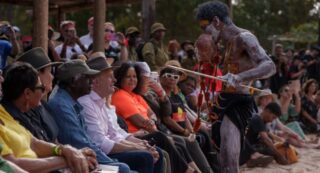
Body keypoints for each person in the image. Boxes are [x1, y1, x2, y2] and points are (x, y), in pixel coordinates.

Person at [196, 1, 276, 172]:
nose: (205, 33)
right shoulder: (226, 43)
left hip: (239, 103)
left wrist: (239, 77)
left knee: (229, 159)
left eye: (205, 27)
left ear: (216, 21)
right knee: (223, 158)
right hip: (225, 101)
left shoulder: (244, 37)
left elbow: (269, 66)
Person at [0, 62, 97, 173]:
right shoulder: (12, 111)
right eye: (41, 88)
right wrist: (70, 158)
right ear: (27, 93)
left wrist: (65, 150)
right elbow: (9, 165)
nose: (1, 79)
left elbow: (33, 143)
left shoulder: (4, 111)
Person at [78, 56, 163, 173]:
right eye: (109, 77)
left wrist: (141, 144)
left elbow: (115, 133)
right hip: (101, 156)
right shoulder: (86, 103)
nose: (114, 80)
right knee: (146, 156)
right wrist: (137, 147)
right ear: (95, 80)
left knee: (155, 151)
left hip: (111, 149)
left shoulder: (100, 101)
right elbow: (101, 144)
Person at [48, 60, 132, 173]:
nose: (92, 81)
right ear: (74, 81)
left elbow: (87, 141)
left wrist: (111, 162)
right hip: (75, 165)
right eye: (87, 78)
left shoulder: (71, 101)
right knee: (124, 169)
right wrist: (111, 163)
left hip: (84, 159)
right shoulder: (61, 106)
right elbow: (79, 143)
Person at [10, 47, 61, 143]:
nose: (52, 76)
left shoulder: (44, 105)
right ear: (36, 75)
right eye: (49, 72)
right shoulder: (23, 108)